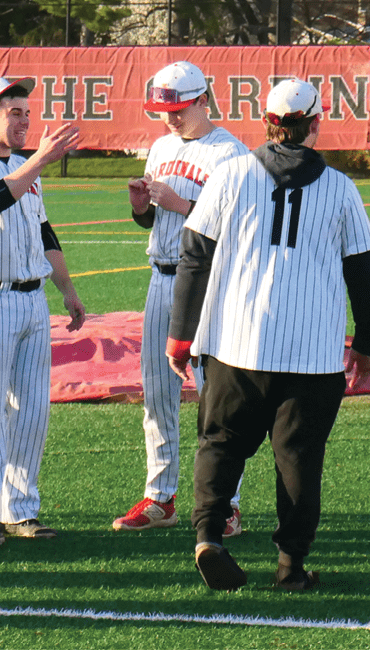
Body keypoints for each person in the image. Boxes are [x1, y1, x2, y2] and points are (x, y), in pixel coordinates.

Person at [166, 78, 370, 591]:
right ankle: (291, 566)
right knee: (299, 461)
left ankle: (208, 538)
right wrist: (368, 344)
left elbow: (194, 256)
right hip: (312, 352)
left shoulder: (231, 174)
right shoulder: (340, 189)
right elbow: (364, 272)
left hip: (235, 344)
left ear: (266, 122)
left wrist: (180, 335)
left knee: (219, 444)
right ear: (315, 123)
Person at [0, 76, 86, 545]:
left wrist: (66, 289)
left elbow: (45, 232)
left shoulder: (28, 167)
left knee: (31, 411)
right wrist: (42, 159)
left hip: (32, 299)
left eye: (27, 111)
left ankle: (20, 509)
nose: (26, 120)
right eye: (15, 112)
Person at [117, 61, 249, 536]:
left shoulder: (230, 153)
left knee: (218, 396)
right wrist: (143, 208)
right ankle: (160, 497)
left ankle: (226, 504)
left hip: (213, 282)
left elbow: (240, 225)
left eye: (178, 109)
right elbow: (154, 221)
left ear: (202, 100)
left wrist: (183, 205)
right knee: (157, 391)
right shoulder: (161, 146)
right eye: (163, 110)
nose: (170, 118)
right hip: (161, 276)